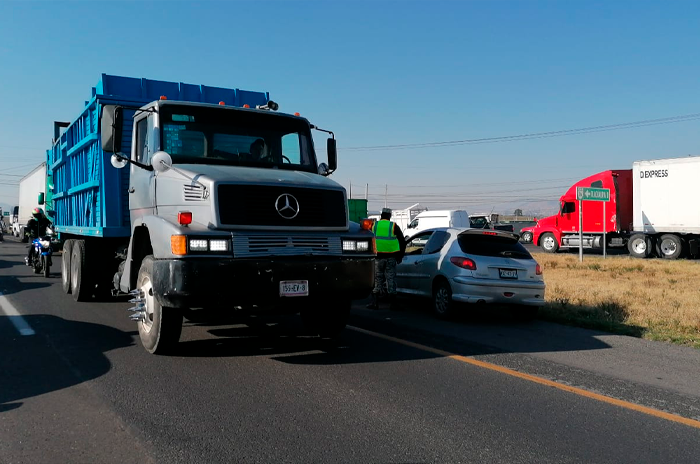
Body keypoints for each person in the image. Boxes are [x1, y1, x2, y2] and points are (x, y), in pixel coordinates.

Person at [367, 208, 406, 310]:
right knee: (391, 279)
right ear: (389, 216)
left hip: (377, 257)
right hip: (391, 257)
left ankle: (375, 303)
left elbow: (367, 238)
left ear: (381, 215)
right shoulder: (393, 226)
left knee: (377, 279)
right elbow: (402, 241)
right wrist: (400, 255)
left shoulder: (374, 225)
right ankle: (393, 304)